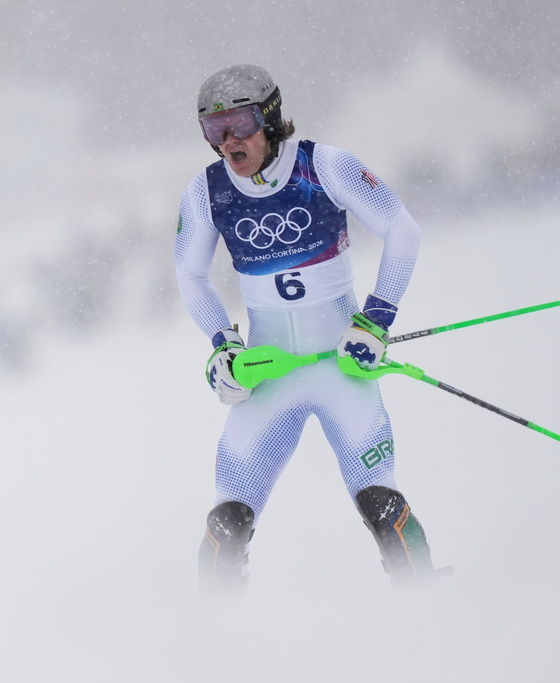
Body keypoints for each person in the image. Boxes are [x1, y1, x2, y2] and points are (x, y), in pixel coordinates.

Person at [174, 64, 436, 594]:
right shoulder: (206, 191)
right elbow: (190, 275)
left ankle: (430, 610)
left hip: (342, 366)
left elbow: (403, 233)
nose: (228, 142)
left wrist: (375, 320)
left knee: (381, 505)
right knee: (227, 521)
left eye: (240, 124)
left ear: (269, 117)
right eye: (213, 130)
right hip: (268, 375)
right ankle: (206, 645)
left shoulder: (326, 165)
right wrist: (223, 348)